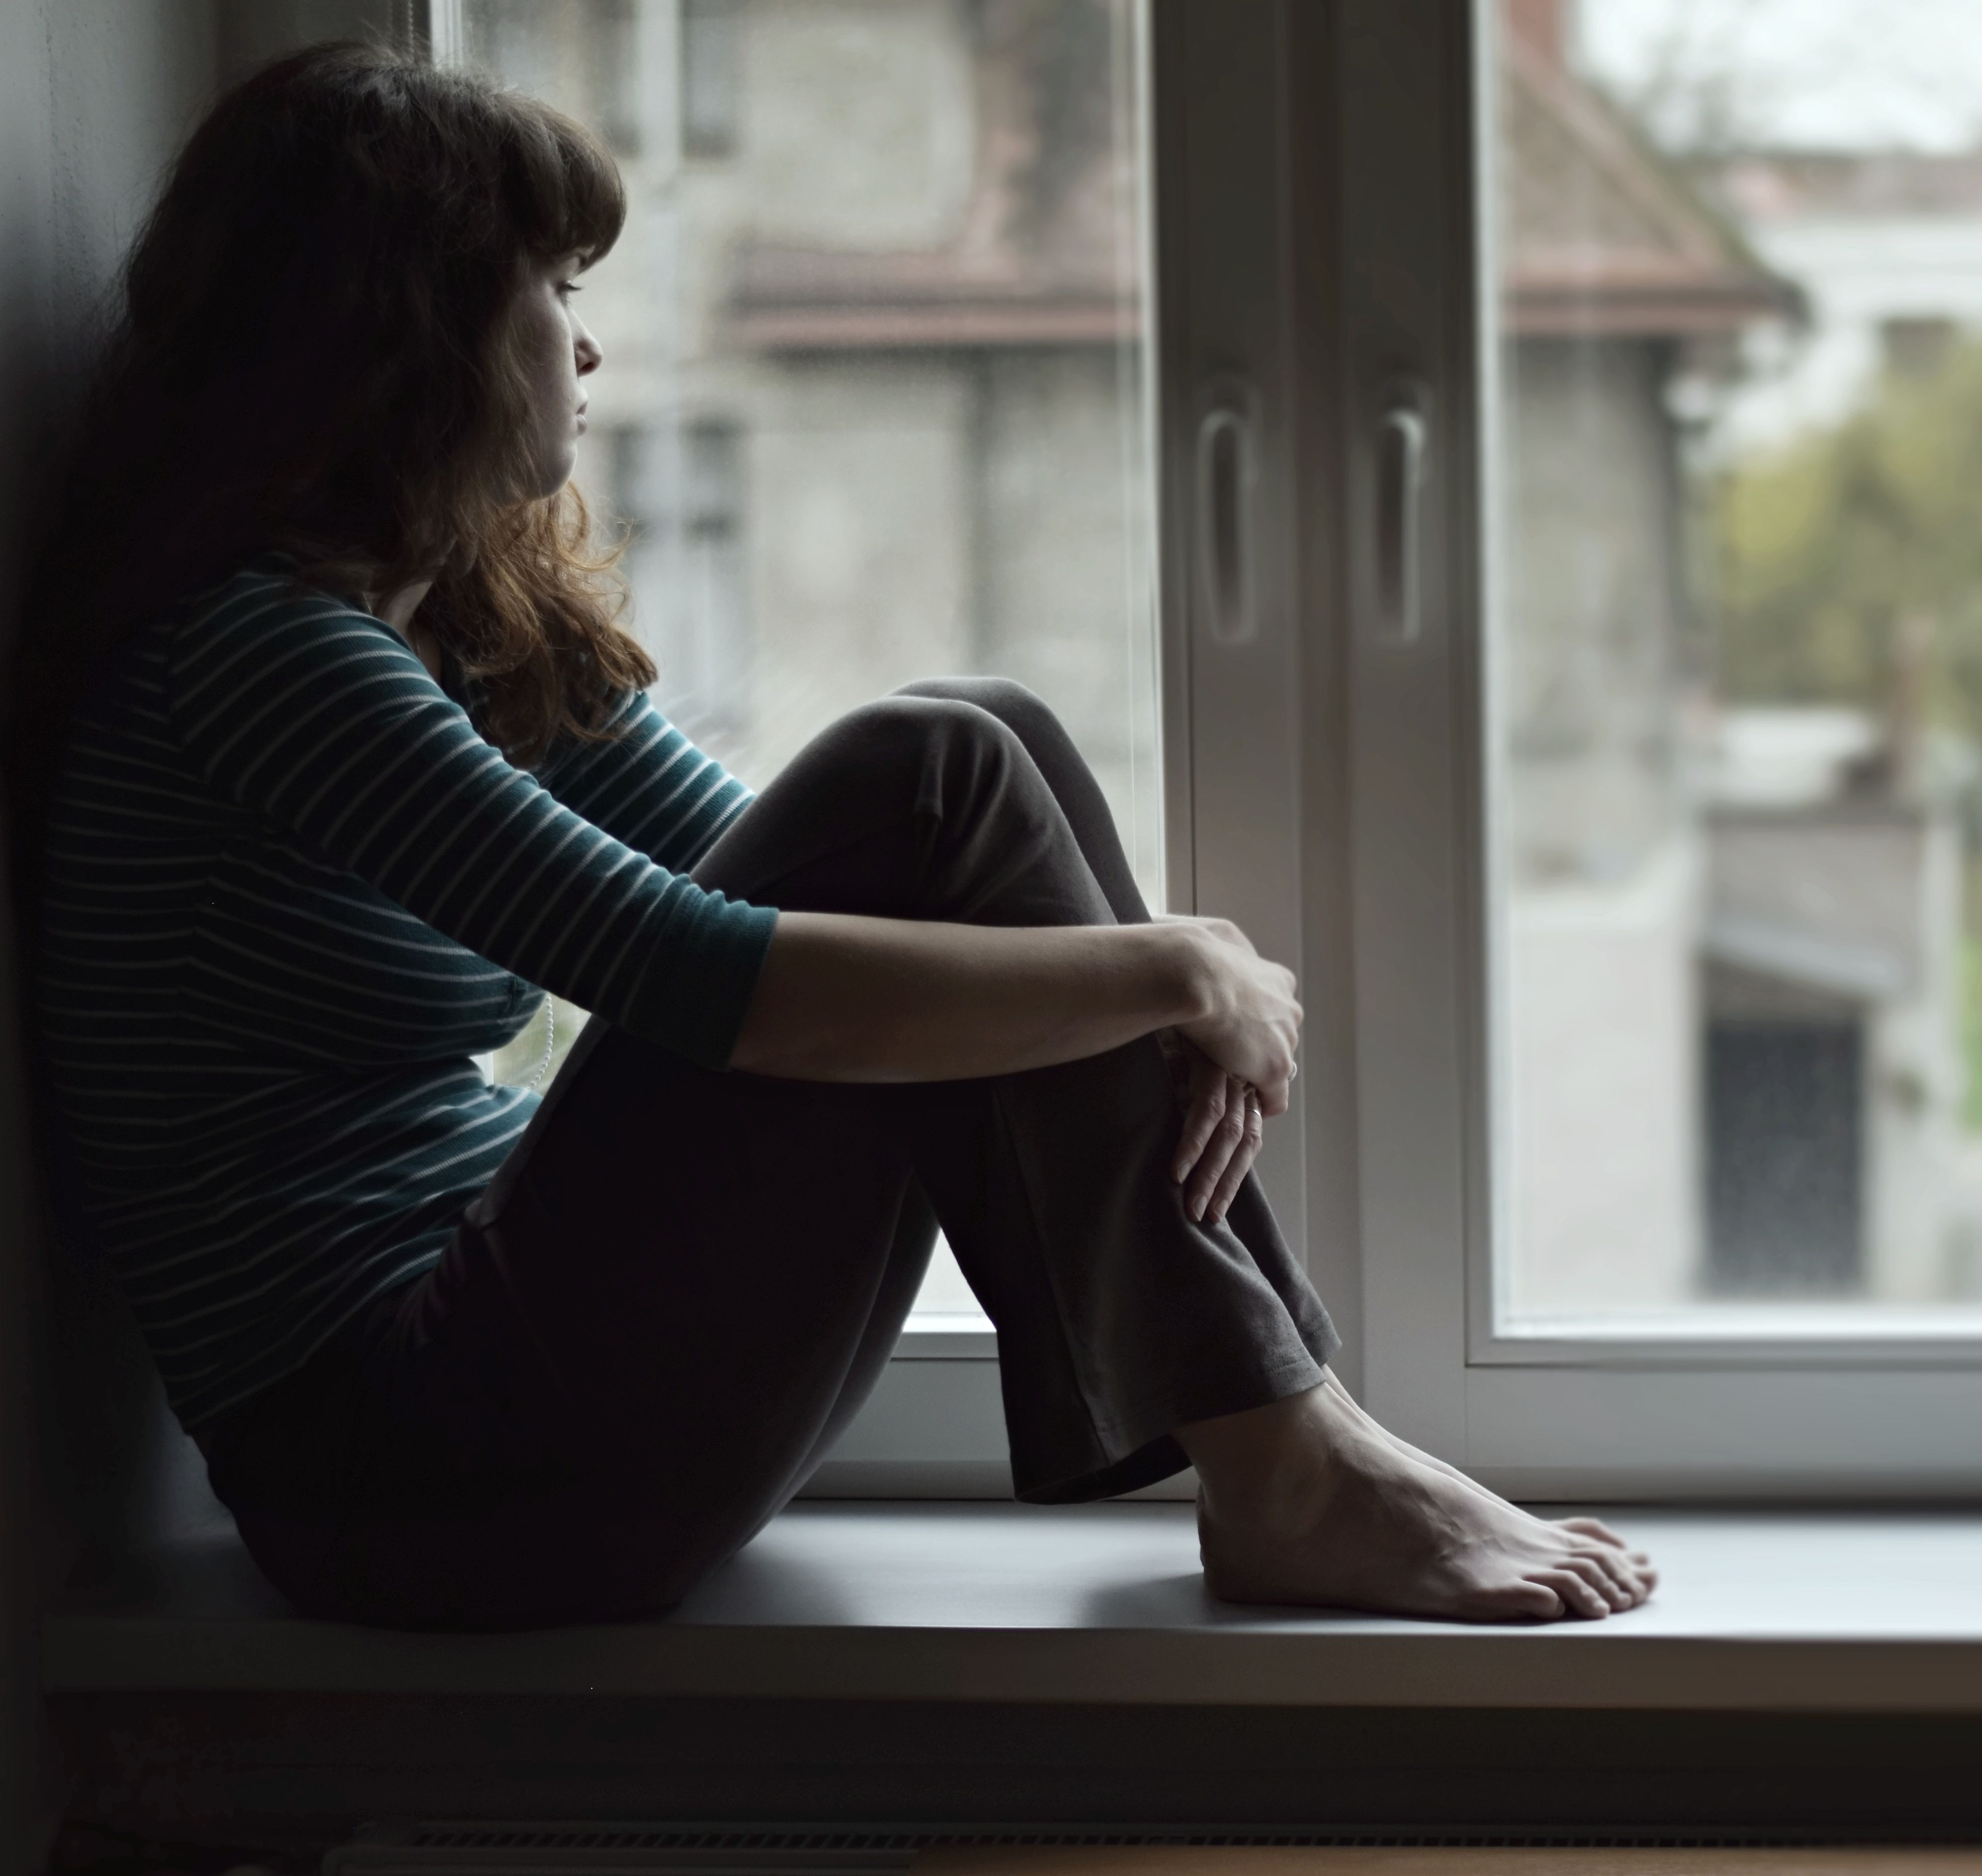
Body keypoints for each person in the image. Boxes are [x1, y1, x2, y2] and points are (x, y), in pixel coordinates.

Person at [9, 43, 1653, 1632]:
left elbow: (793, 877)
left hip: (507, 1415)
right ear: (415, 331)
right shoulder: (255, 661)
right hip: (411, 1475)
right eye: (554, 293)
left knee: (984, 744)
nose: (586, 353)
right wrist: (1170, 967)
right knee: (936, 764)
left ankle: (1286, 1439)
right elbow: (709, 973)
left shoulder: (448, 631)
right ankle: (1284, 1453)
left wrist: (1140, 980)